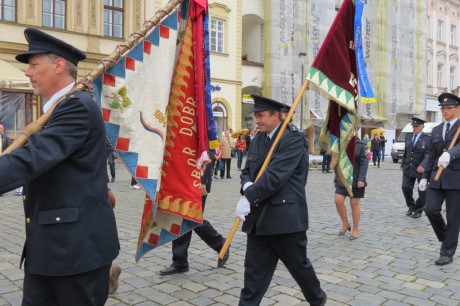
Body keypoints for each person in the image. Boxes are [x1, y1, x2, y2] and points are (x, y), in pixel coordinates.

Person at [0, 28, 120, 304]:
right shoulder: (57, 108)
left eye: (33, 64)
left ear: (59, 65)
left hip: (75, 253)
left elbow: (34, 157)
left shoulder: (76, 106)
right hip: (48, 248)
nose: (28, 73)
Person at [234, 95, 326, 306]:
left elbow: (275, 177)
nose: (257, 121)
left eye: (261, 116)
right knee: (253, 278)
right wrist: (247, 187)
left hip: (284, 220)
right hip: (258, 221)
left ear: (276, 116)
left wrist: (249, 198)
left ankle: (318, 300)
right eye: (256, 116)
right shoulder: (258, 138)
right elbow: (247, 170)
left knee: (300, 269)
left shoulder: (292, 138)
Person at [160, 149, 229, 275]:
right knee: (180, 217)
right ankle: (179, 262)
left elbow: (207, 150)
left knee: (193, 219)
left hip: (197, 180)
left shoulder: (201, 128)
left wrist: (204, 181)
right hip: (181, 180)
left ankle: (221, 244)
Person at [420, 92, 460, 266]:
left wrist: (451, 154)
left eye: (449, 108)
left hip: (456, 178)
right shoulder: (436, 130)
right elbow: (430, 155)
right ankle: (447, 238)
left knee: (453, 217)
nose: (445, 111)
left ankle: (447, 252)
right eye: (443, 108)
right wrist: (423, 177)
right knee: (430, 210)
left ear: (457, 109)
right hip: (437, 177)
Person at [334, 135, 368, 240]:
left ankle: (355, 230)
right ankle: (345, 224)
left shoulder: (361, 146)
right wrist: (336, 178)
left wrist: (362, 179)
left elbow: (364, 163)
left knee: (354, 204)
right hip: (343, 179)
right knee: (338, 200)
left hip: (357, 179)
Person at [400, 117, 431, 219]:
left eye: (416, 126)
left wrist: (423, 165)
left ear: (422, 127)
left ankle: (418, 210)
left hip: (420, 168)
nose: (414, 128)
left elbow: (428, 154)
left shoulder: (427, 139)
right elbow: (406, 152)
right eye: (413, 126)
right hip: (409, 167)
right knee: (405, 187)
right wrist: (402, 164)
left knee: (422, 191)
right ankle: (411, 206)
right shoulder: (408, 137)